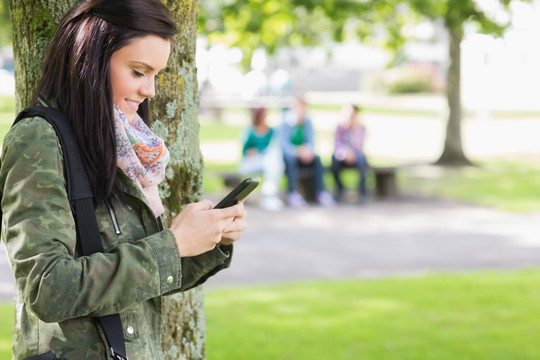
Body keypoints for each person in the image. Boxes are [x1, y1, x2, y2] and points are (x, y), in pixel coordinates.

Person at [0, 0, 247, 358]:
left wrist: (208, 239)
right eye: (138, 71)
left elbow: (136, 283)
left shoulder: (121, 144)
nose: (150, 90)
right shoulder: (39, 139)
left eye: (156, 75)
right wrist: (173, 245)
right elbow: (47, 288)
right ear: (93, 59)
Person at [278, 98, 335, 208]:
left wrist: (307, 151)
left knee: (317, 160)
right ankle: (292, 193)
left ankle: (321, 192)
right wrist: (297, 151)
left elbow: (311, 141)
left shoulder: (307, 122)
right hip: (290, 156)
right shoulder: (285, 122)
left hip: (304, 156)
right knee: (291, 160)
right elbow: (283, 145)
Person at [238, 107, 284, 211]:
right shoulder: (250, 131)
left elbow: (273, 146)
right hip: (250, 162)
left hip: (266, 161)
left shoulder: (271, 131)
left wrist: (258, 151)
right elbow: (246, 152)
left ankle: (269, 193)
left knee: (274, 156)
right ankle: (269, 194)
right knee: (273, 161)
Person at [331, 104, 369, 203]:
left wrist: (354, 128)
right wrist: (345, 153)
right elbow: (337, 144)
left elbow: (359, 145)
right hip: (343, 155)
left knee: (361, 161)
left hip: (356, 155)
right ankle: (340, 188)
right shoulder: (340, 127)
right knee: (334, 161)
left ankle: (362, 193)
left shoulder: (360, 128)